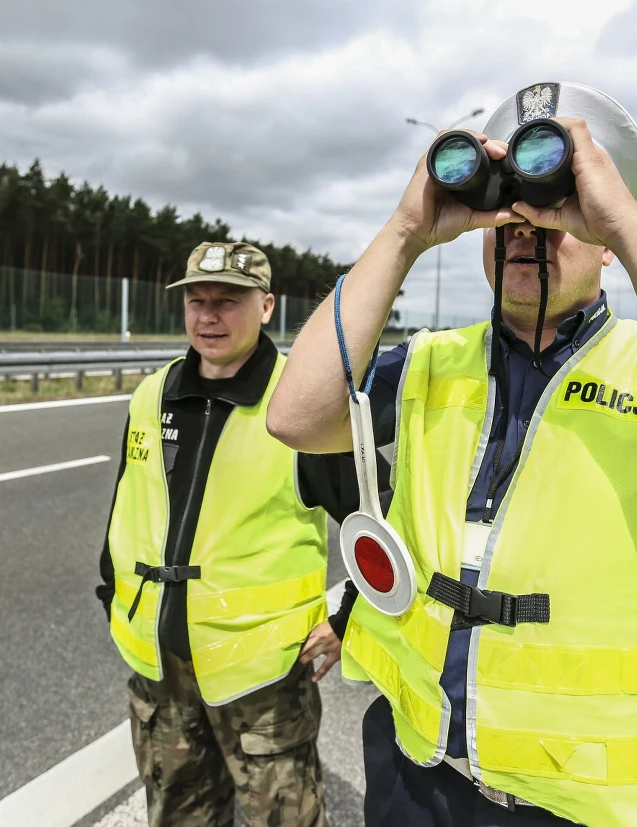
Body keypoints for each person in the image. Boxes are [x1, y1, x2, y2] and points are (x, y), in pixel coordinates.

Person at [266, 82, 637, 827]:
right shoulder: (430, 361)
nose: (527, 229)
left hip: (584, 809)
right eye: (510, 215)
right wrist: (403, 233)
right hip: (414, 776)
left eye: (556, 209)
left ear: (606, 233)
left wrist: (625, 223)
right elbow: (295, 415)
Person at [96, 241, 374, 827]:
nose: (209, 315)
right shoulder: (154, 393)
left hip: (263, 678)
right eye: (197, 300)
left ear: (267, 307)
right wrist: (111, 596)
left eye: (228, 300)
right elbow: (128, 502)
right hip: (161, 667)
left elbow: (381, 519)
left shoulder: (299, 403)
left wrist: (351, 615)